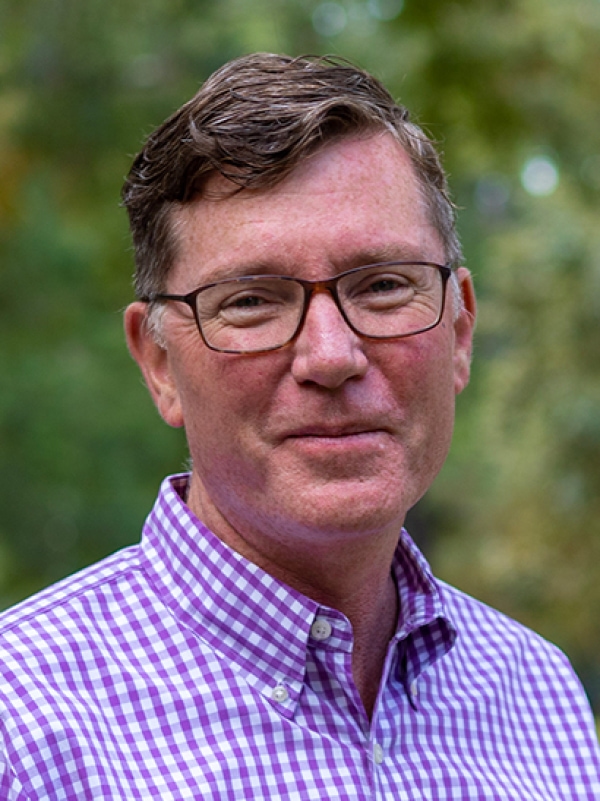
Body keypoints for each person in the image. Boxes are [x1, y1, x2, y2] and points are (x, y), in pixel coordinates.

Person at [0, 53, 598, 801]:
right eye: (252, 300)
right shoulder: (23, 732)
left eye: (383, 285)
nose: (331, 356)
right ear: (158, 362)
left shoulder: (538, 699)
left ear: (461, 329)